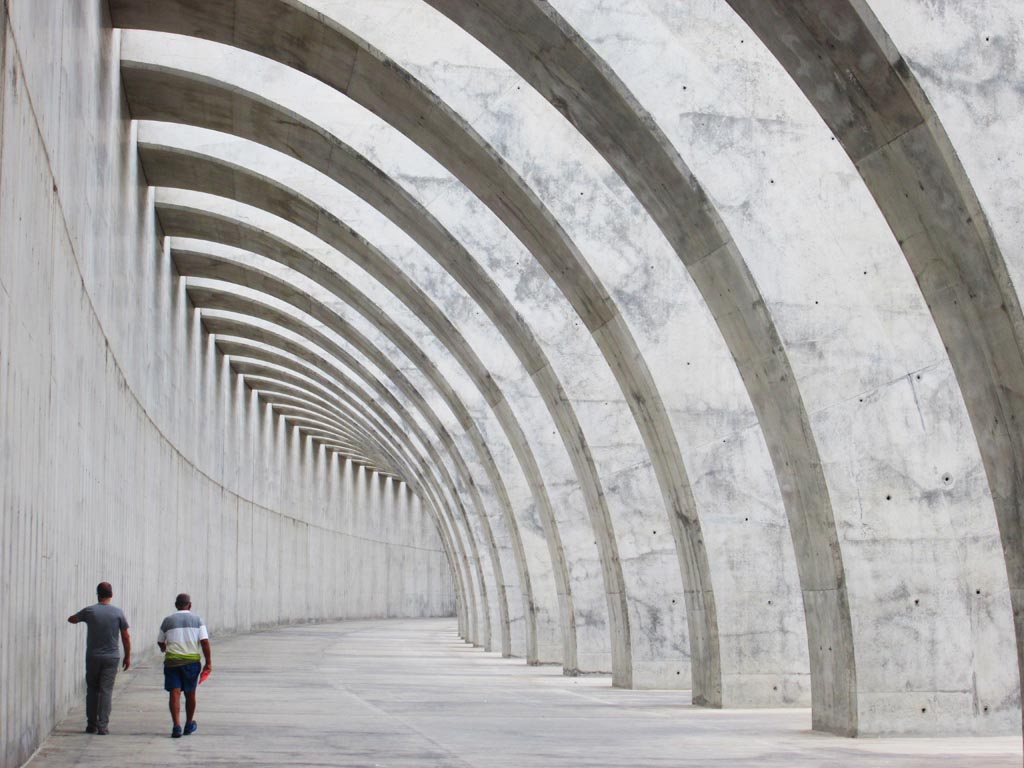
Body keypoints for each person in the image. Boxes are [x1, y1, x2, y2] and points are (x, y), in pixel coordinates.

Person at [67, 581, 131, 735]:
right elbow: (125, 636)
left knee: (92, 690)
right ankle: (103, 726)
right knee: (106, 691)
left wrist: (79, 617)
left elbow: (72, 619)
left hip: (93, 657)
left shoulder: (90, 611)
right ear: (111, 595)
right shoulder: (118, 612)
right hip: (112, 657)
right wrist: (127, 656)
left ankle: (91, 724)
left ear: (98, 594)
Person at [157, 593, 212, 738]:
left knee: (174, 693)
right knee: (190, 693)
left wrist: (164, 648)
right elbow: (204, 641)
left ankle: (176, 726)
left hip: (172, 662)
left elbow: (160, 641)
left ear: (176, 605)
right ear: (190, 604)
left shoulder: (168, 621)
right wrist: (208, 662)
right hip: (191, 662)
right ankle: (188, 723)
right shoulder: (197, 620)